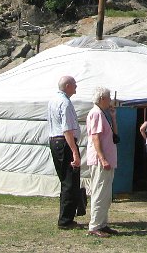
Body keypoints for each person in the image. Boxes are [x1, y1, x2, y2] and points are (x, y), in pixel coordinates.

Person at [47, 75, 84, 230]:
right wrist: (75, 152)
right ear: (68, 85)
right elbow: (67, 129)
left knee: (65, 181)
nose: (76, 88)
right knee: (70, 181)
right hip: (64, 143)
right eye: (74, 85)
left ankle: (66, 217)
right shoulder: (65, 103)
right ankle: (66, 220)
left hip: (55, 142)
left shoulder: (53, 100)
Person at [86, 86, 119, 238]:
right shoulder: (96, 113)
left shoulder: (103, 114)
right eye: (109, 97)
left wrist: (113, 116)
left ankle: (102, 224)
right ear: (102, 99)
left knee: (106, 193)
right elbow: (95, 137)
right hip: (101, 160)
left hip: (108, 160)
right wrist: (103, 158)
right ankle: (94, 226)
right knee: (99, 192)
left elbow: (114, 136)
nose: (111, 100)